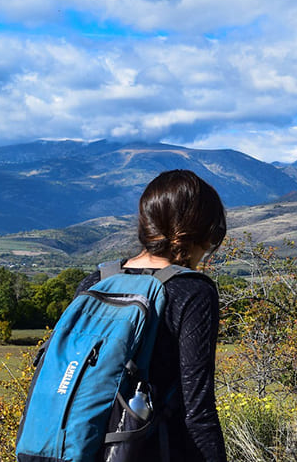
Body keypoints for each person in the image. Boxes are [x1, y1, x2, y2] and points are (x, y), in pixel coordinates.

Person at [75, 169, 228, 461]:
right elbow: (198, 411)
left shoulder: (96, 282)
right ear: (202, 231)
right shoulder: (191, 292)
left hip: (77, 448)